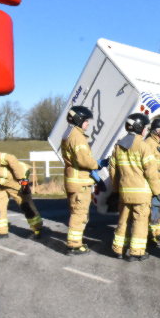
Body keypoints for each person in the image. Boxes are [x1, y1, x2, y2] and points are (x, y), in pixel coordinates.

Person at [109, 113, 160, 261]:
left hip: (124, 193)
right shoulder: (143, 146)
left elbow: (113, 170)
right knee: (140, 222)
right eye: (145, 127)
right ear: (139, 128)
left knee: (123, 221)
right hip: (141, 194)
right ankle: (136, 252)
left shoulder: (119, 146)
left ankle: (118, 249)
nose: (146, 130)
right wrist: (158, 192)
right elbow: (151, 173)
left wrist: (116, 189)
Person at [62, 105, 100, 255]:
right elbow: (84, 160)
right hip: (79, 182)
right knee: (79, 213)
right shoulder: (77, 136)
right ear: (78, 120)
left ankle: (75, 242)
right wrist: (97, 164)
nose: (88, 123)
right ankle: (74, 245)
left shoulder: (69, 134)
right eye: (86, 120)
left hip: (72, 180)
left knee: (75, 212)